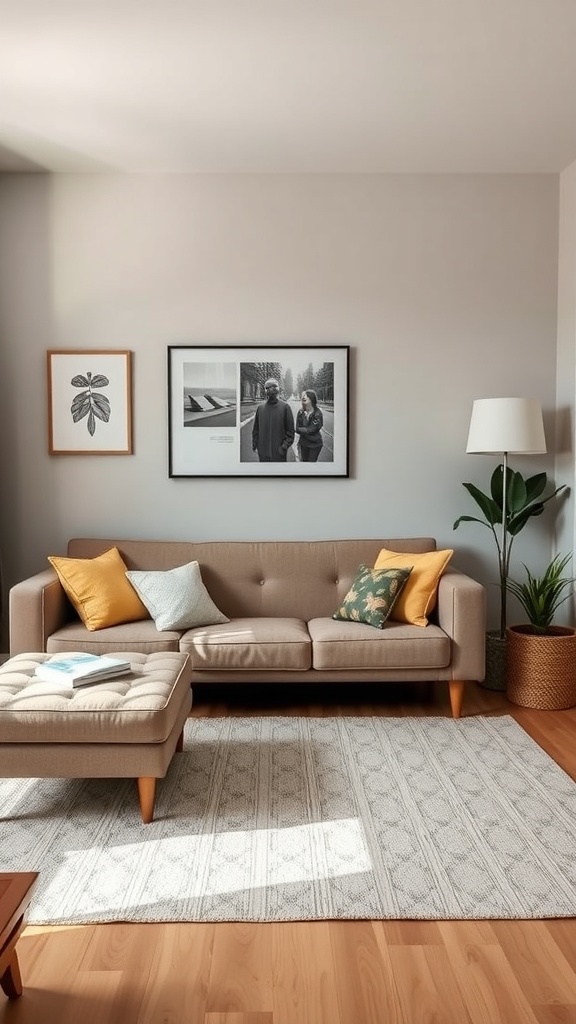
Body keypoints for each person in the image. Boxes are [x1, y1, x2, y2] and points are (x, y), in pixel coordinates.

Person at [252, 378, 295, 462]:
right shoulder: (260, 409)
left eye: (272, 387)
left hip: (278, 455)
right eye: (267, 388)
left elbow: (290, 432)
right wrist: (255, 444)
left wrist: (283, 447)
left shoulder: (285, 408)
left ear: (277, 390)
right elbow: (256, 429)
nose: (269, 390)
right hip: (263, 454)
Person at [295, 389, 324, 462]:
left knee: (311, 464)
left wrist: (301, 430)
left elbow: (313, 429)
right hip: (303, 443)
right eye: (304, 396)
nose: (304, 397)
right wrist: (302, 429)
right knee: (304, 463)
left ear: (312, 399)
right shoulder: (301, 412)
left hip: (315, 445)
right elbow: (297, 428)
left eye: (307, 396)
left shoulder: (317, 412)